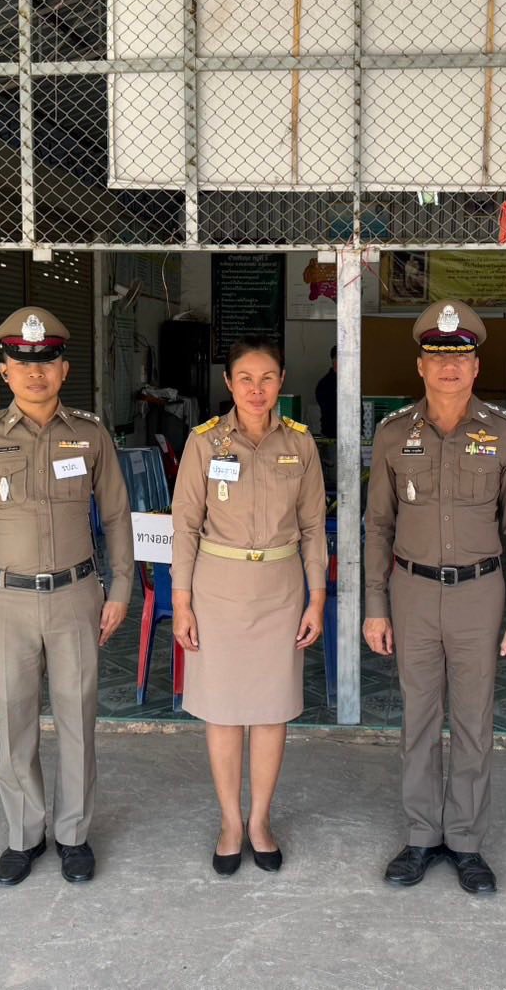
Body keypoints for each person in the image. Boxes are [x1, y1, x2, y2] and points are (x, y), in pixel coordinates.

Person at [0, 307, 134, 886]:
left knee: (78, 720)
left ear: (63, 368)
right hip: (8, 604)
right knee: (15, 721)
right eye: (22, 362)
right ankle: (24, 835)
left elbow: (117, 516)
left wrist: (121, 588)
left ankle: (73, 834)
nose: (35, 372)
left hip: (77, 596)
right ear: (5, 370)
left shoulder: (91, 433)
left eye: (46, 360)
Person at [363, 299, 506, 895]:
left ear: (475, 365)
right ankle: (421, 835)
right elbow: (378, 527)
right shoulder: (393, 433)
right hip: (411, 591)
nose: (448, 367)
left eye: (460, 356)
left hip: (479, 594)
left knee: (472, 720)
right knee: (417, 718)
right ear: (420, 365)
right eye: (437, 356)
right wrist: (375, 606)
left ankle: (465, 840)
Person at [170, 336, 327, 875]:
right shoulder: (204, 443)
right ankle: (230, 823)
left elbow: (313, 527)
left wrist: (317, 598)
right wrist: (183, 603)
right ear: (228, 383)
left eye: (267, 378)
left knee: (271, 709)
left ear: (281, 382)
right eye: (245, 379)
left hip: (280, 590)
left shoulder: (300, 444)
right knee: (222, 711)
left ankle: (259, 821)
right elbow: (185, 526)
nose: (256, 390)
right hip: (218, 590)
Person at [315, 345, 338, 438]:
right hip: (332, 435)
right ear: (334, 360)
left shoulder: (352, 383)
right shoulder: (325, 384)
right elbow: (329, 413)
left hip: (352, 435)